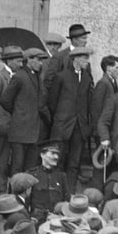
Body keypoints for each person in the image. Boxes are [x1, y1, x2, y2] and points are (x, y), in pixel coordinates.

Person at [48, 47, 94, 189]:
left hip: (79, 127)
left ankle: (69, 192)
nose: (87, 61)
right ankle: (56, 190)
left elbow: (88, 102)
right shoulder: (61, 77)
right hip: (62, 126)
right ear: (76, 59)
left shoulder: (87, 78)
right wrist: (60, 118)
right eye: (85, 58)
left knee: (75, 163)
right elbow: (52, 102)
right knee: (58, 160)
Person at [0, 48, 48, 175]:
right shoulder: (20, 77)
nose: (41, 63)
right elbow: (5, 100)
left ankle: (26, 193)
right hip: (20, 131)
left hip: (33, 131)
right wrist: (18, 112)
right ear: (29, 60)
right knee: (18, 165)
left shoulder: (36, 76)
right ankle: (15, 192)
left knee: (30, 166)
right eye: (38, 60)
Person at [0, 46, 25, 191]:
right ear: (9, 61)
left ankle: (15, 189)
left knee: (17, 161)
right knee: (2, 160)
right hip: (3, 126)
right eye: (18, 61)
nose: (21, 64)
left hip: (18, 127)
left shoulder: (20, 76)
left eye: (21, 61)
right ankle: (1, 190)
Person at [44, 23, 90, 92]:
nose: (86, 41)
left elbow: (89, 83)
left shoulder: (85, 57)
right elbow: (49, 81)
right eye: (83, 38)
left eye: (86, 38)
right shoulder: (59, 57)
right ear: (74, 39)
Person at [91, 55, 118, 142]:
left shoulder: (113, 82)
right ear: (108, 68)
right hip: (103, 129)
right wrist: (98, 131)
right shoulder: (103, 84)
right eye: (117, 67)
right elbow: (96, 108)